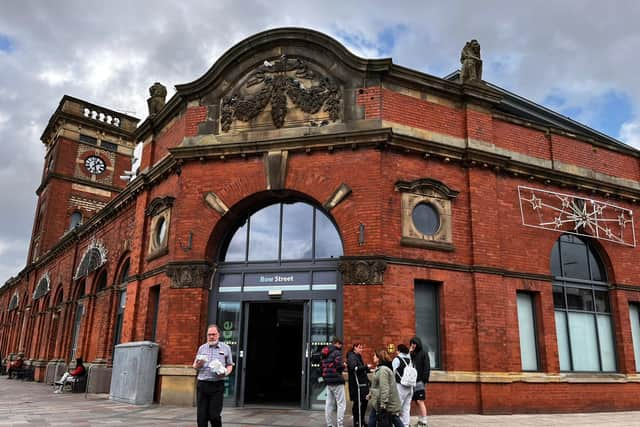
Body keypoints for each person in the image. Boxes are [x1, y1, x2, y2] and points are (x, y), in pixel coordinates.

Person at [193, 324, 234, 427]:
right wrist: (198, 365)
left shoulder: (226, 348)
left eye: (213, 334)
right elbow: (194, 366)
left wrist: (226, 372)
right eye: (209, 335)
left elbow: (230, 365)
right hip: (202, 384)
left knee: (214, 415)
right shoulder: (202, 348)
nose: (211, 337)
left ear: (218, 335)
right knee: (201, 417)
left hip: (217, 385)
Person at [366, 349, 403, 427]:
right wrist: (370, 394)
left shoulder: (383, 370)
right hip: (378, 400)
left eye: (374, 356)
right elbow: (376, 385)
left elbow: (384, 387)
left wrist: (383, 404)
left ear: (379, 358)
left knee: (394, 419)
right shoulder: (380, 369)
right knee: (373, 419)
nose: (373, 357)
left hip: (385, 402)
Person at [321, 336, 346, 427]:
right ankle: (340, 424)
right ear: (336, 343)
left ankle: (329, 424)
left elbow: (323, 366)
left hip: (328, 380)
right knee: (341, 404)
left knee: (329, 404)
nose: (341, 346)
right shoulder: (336, 352)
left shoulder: (325, 352)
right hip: (337, 380)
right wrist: (344, 365)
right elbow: (339, 366)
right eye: (340, 344)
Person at [347, 343, 370, 427]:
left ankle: (361, 421)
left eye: (362, 348)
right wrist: (366, 367)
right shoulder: (352, 357)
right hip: (357, 385)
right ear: (355, 348)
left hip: (362, 384)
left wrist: (367, 369)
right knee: (357, 404)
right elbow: (354, 368)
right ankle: (357, 422)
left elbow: (361, 370)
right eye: (360, 348)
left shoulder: (358, 357)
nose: (361, 350)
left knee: (364, 402)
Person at [410, 337, 431, 427]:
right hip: (412, 381)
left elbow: (427, 366)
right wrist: (410, 352)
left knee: (420, 401)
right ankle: (420, 420)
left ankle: (424, 421)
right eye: (411, 343)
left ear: (418, 343)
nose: (413, 345)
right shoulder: (412, 353)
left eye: (414, 343)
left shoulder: (423, 353)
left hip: (419, 381)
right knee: (416, 401)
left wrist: (424, 380)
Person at [392, 344, 413, 427]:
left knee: (396, 407)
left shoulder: (396, 359)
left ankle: (395, 425)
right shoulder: (409, 359)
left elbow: (392, 373)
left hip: (400, 386)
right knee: (406, 408)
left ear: (399, 351)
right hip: (410, 386)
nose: (396, 351)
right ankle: (405, 425)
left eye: (397, 350)